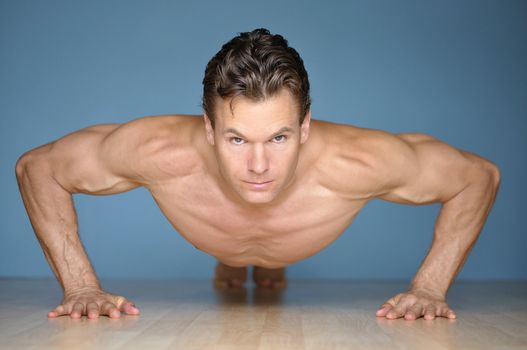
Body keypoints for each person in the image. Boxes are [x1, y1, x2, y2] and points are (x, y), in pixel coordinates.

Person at [15, 28, 500, 321]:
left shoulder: (359, 161)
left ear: (306, 126)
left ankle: (260, 261)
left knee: (260, 250)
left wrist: (429, 288)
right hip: (222, 228)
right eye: (237, 139)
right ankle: (236, 260)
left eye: (280, 137)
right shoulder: (157, 149)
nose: (259, 165)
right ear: (208, 128)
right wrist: (80, 286)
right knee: (246, 245)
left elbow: (478, 176)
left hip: (291, 224)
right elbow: (37, 168)